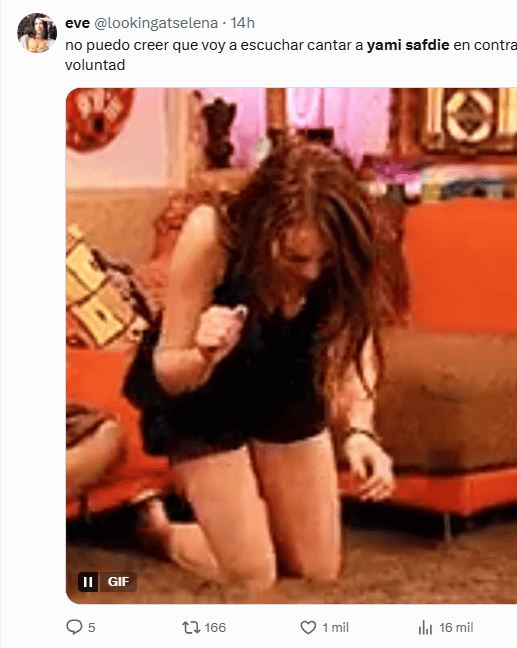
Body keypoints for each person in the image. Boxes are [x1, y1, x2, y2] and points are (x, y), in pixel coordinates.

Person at [127, 139, 401, 595]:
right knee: (254, 576)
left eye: (325, 259)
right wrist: (202, 354)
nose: (312, 273)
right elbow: (168, 371)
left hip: (284, 378)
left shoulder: (350, 241)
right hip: (205, 396)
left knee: (316, 569)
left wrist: (360, 430)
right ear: (262, 231)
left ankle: (239, 529)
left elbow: (355, 345)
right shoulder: (213, 233)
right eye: (295, 258)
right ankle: (161, 532)